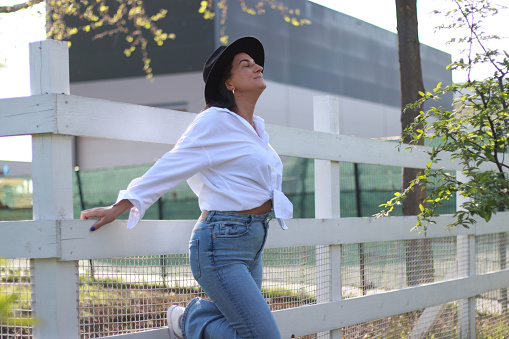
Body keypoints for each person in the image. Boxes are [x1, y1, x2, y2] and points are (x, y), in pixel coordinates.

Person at [81, 36, 293, 339]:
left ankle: (194, 319)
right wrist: (125, 202)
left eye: (256, 62)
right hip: (221, 244)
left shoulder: (256, 128)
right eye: (246, 64)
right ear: (228, 81)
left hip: (253, 240)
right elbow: (173, 163)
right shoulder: (214, 121)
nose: (258, 67)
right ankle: (189, 320)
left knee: (242, 332)